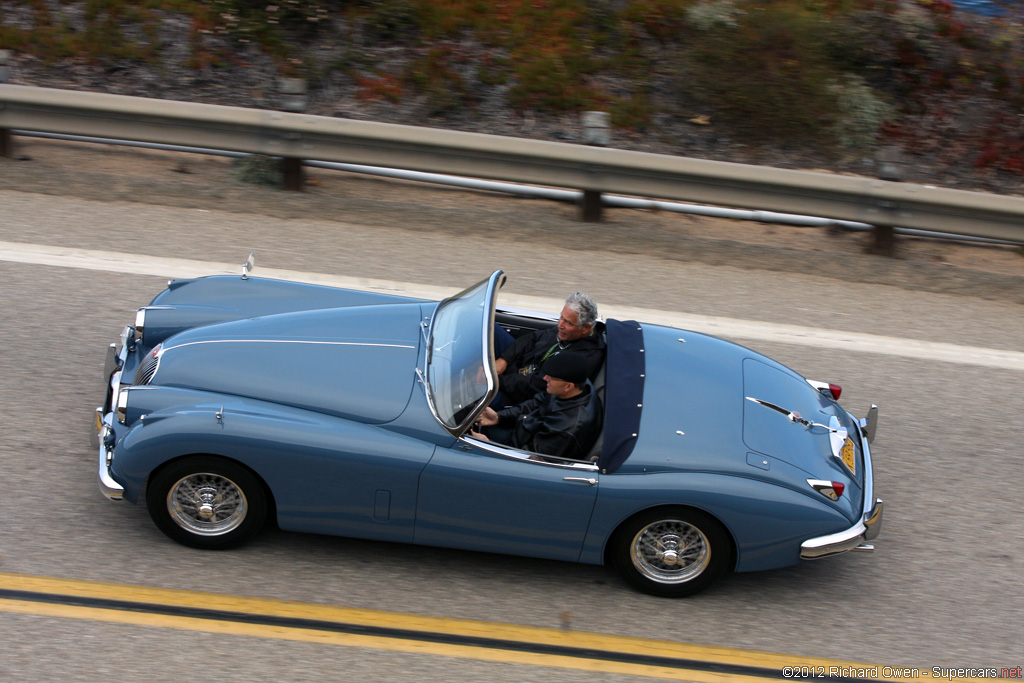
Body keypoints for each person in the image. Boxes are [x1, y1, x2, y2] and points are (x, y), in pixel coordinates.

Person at [471, 353, 602, 461]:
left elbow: (532, 458)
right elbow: (537, 402)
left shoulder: (566, 428)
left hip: (518, 450)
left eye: (551, 377)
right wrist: (499, 417)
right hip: (524, 430)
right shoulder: (576, 386)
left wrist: (489, 446)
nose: (545, 378)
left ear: (569, 386)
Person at [495, 292, 605, 406]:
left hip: (520, 394)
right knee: (490, 328)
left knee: (476, 396)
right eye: (561, 317)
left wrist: (495, 379)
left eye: (568, 322)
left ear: (586, 328)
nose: (560, 325)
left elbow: (537, 384)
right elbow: (534, 337)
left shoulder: (583, 357)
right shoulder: (567, 332)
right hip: (518, 366)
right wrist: (505, 359)